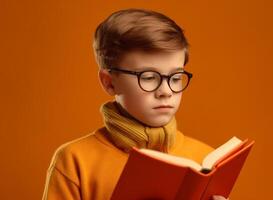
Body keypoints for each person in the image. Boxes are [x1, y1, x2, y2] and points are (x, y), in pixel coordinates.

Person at [42, 8, 228, 200]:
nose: (166, 91)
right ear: (109, 82)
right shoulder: (75, 161)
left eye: (175, 77)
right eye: (148, 77)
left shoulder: (206, 162)